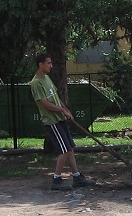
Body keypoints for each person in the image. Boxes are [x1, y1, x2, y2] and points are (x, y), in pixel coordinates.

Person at [29, 53, 94, 190]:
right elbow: (45, 104)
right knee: (64, 150)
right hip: (52, 121)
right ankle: (56, 180)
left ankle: (77, 177)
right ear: (41, 64)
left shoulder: (47, 78)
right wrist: (62, 111)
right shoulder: (36, 83)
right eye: (48, 63)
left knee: (69, 149)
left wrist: (66, 110)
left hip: (60, 119)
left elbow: (56, 98)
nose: (51, 66)